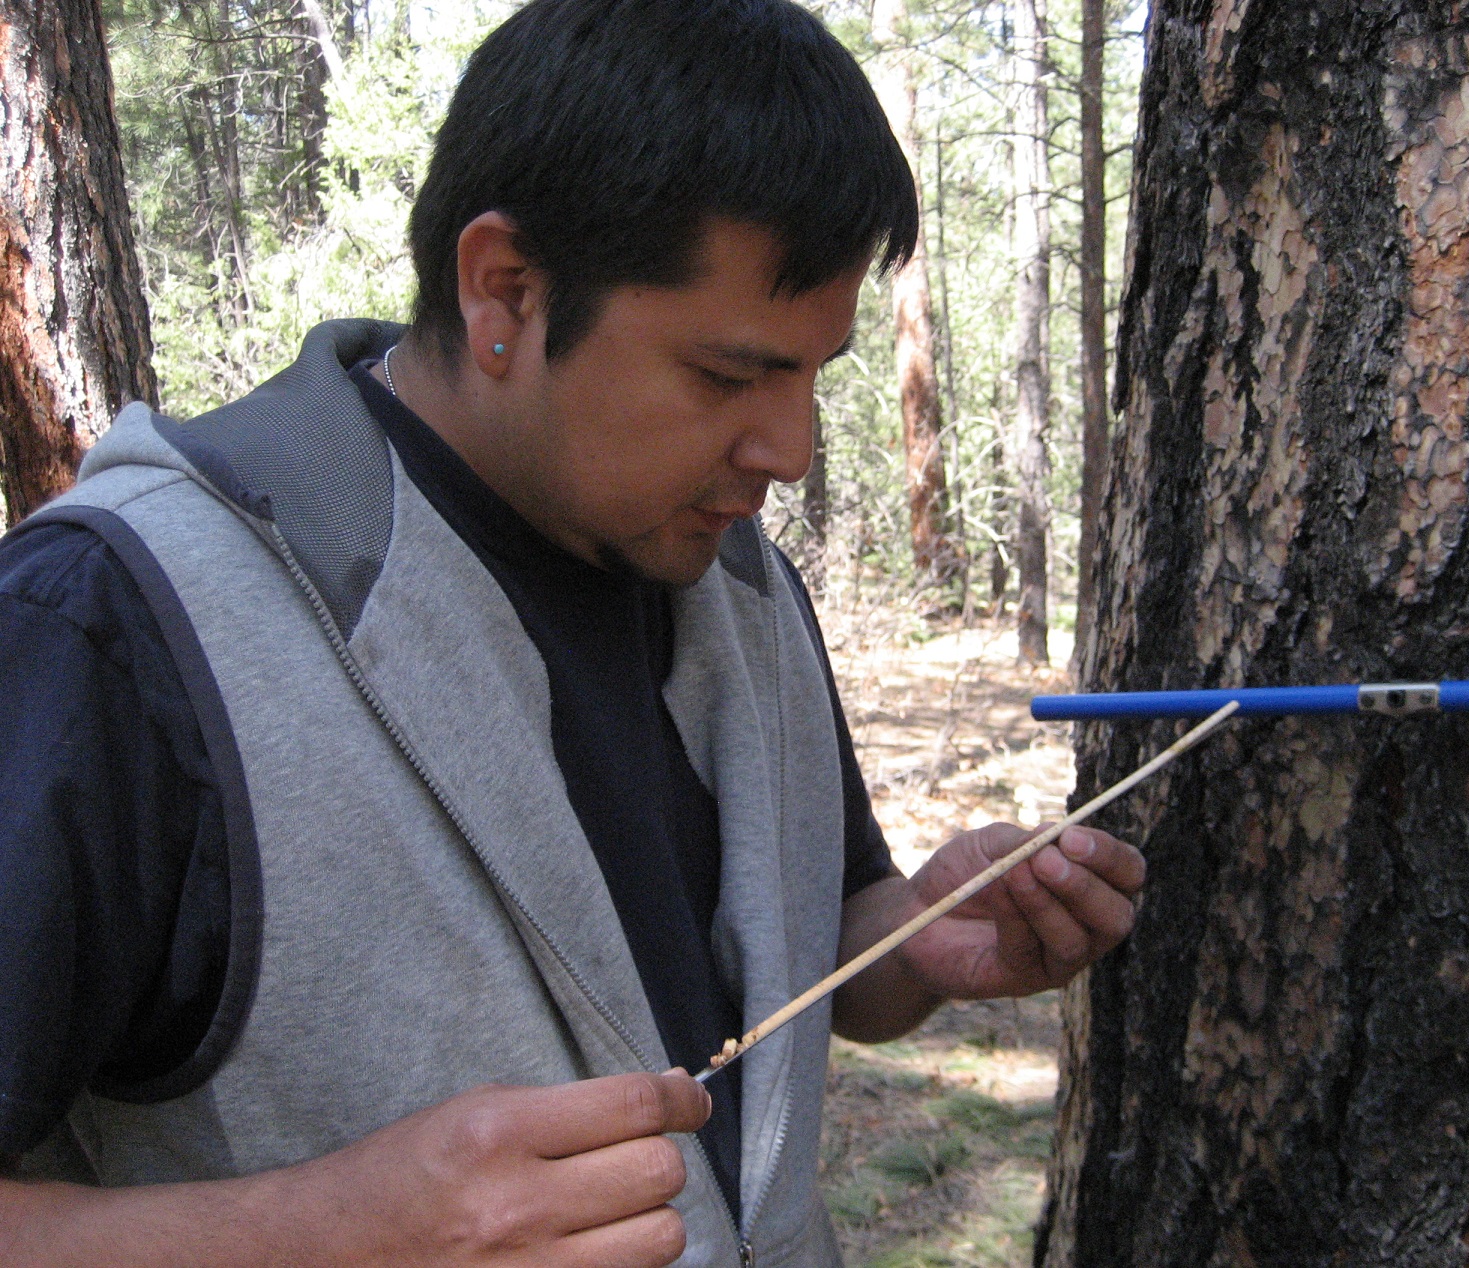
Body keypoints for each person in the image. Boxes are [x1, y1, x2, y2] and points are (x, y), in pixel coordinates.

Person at [0, 1, 1146, 1263]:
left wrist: (915, 939)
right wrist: (318, 1231)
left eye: (812, 376)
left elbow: (788, 953)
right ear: (508, 290)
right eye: (727, 376)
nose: (793, 452)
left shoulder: (745, 589)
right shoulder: (115, 627)